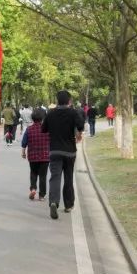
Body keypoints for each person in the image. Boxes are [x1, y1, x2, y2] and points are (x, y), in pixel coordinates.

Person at [42, 90, 84, 220]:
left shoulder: (51, 113)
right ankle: (69, 205)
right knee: (68, 177)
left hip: (55, 150)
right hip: (70, 151)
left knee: (55, 177)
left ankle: (54, 202)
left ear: (57, 100)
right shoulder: (73, 112)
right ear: (69, 101)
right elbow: (81, 125)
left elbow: (43, 129)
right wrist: (78, 132)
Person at [21, 108, 49, 201]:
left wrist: (23, 152)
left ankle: (33, 189)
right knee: (43, 176)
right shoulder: (47, 129)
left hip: (32, 157)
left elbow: (24, 142)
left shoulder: (29, 129)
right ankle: (42, 195)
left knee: (33, 173)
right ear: (43, 118)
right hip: (45, 157)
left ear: (32, 118)